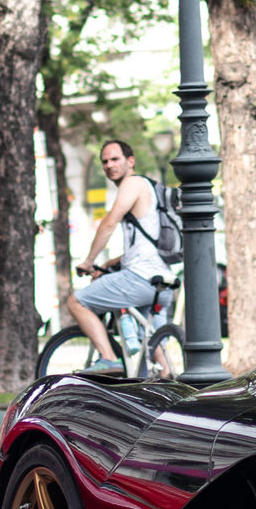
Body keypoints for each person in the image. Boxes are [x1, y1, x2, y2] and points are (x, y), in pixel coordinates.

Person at [67, 138, 169, 369]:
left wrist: (89, 261)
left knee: (76, 302)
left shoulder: (132, 183)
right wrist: (108, 264)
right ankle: (167, 379)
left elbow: (109, 222)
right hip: (161, 282)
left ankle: (108, 359)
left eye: (115, 159)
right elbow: (141, 246)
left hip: (140, 279)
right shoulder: (149, 187)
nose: (109, 165)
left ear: (130, 161)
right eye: (104, 161)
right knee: (151, 358)